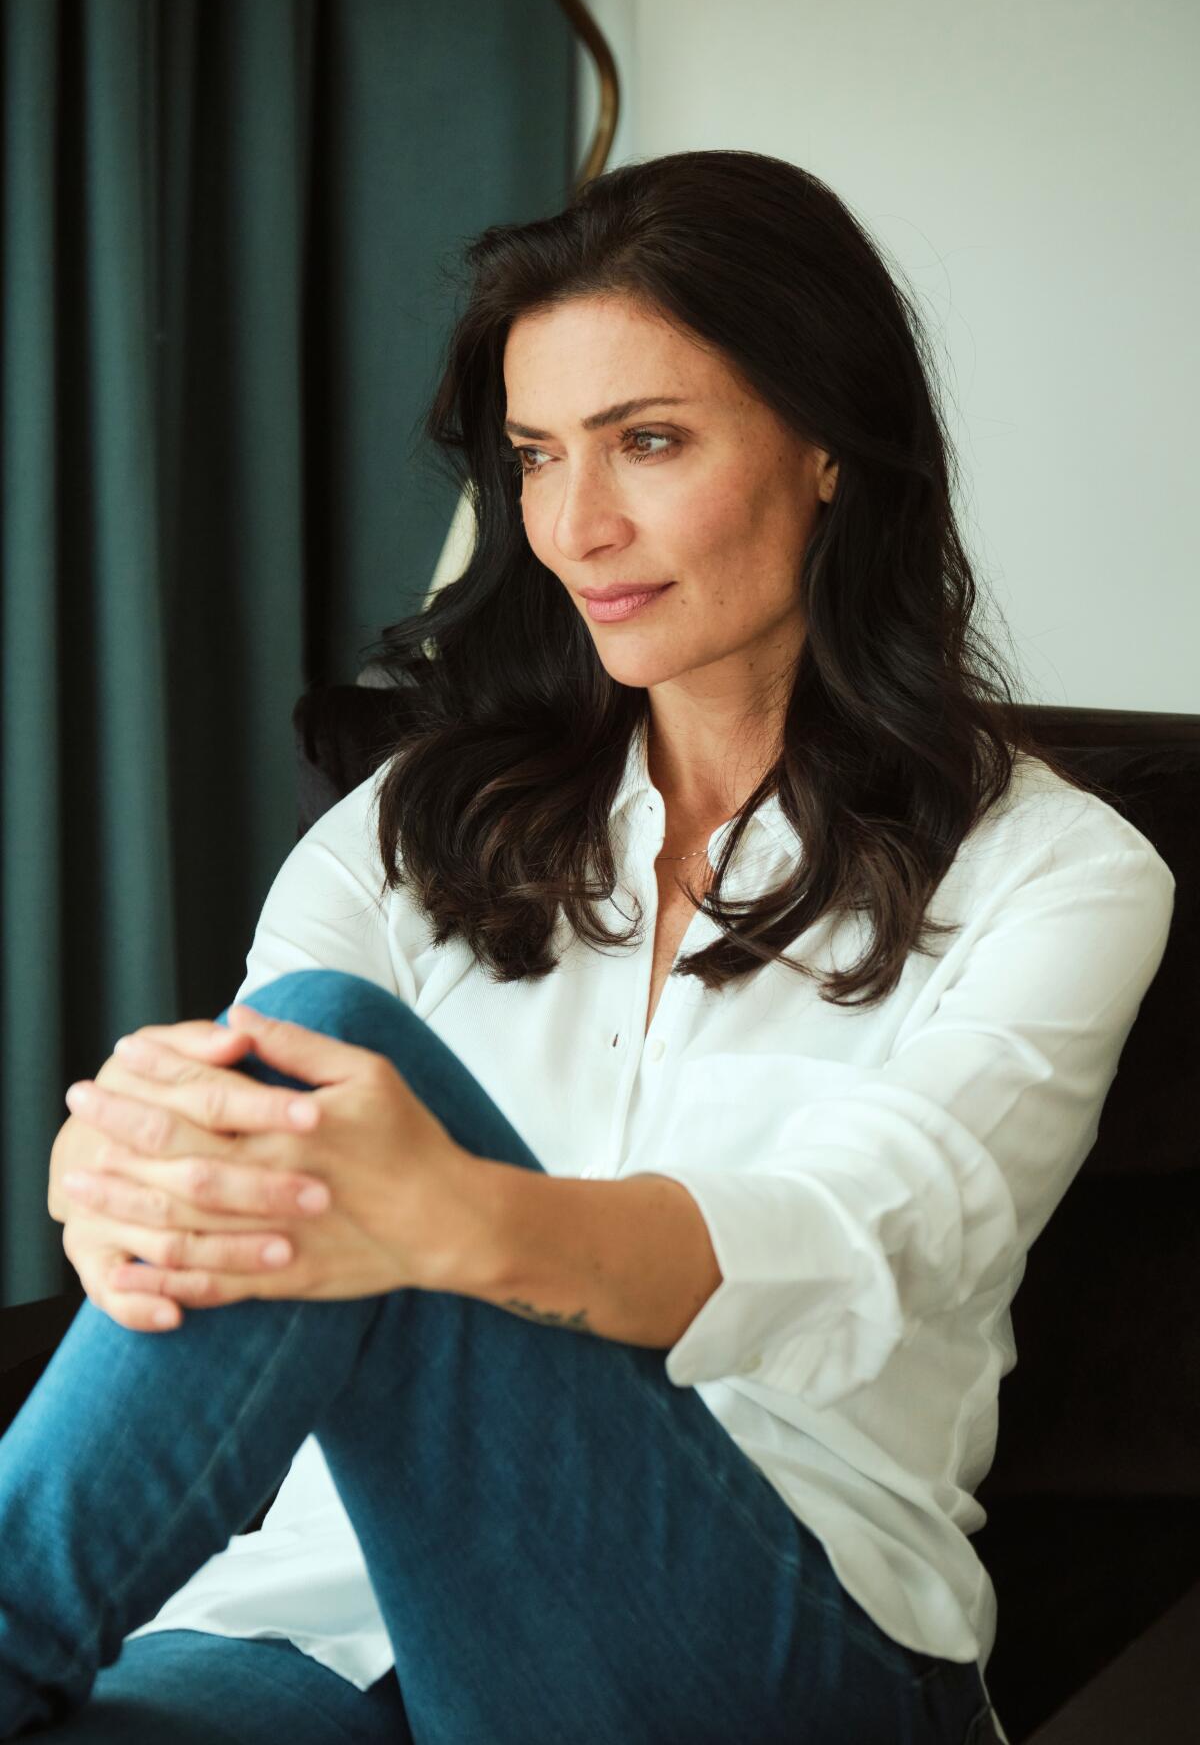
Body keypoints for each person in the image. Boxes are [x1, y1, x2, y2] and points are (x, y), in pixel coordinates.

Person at [0, 149, 1173, 1744]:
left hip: (772, 1628)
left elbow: (857, 1238)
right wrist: (127, 1183)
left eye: (653, 442)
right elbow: (233, 1177)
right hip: (308, 1617)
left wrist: (455, 1217)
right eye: (538, 457)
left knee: (334, 1054)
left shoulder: (1061, 871)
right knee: (293, 1089)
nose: (577, 526)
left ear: (831, 447)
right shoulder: (410, 820)